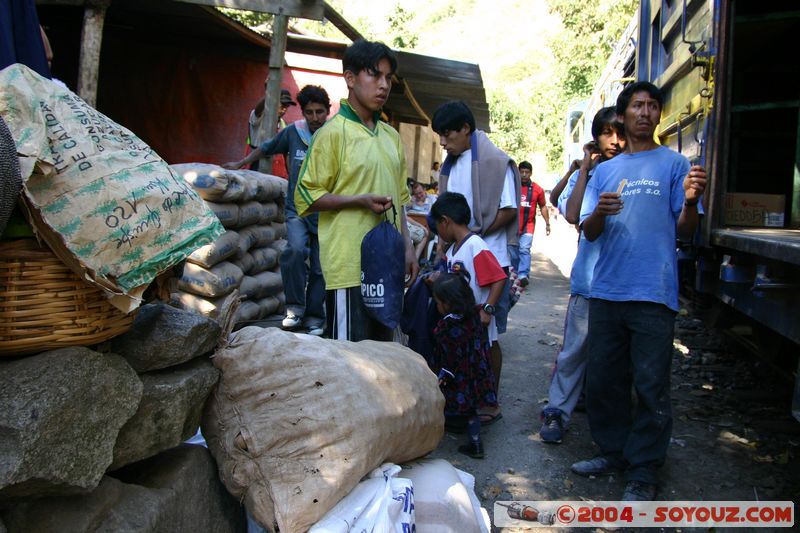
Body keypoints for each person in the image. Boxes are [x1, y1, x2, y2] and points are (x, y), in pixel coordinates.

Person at [572, 82, 706, 501]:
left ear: (658, 114)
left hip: (654, 290)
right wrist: (599, 212)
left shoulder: (674, 164)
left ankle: (644, 471)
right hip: (608, 291)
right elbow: (588, 231)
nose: (645, 112)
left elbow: (686, 230)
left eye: (652, 106)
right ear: (623, 114)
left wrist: (690, 202)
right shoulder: (605, 171)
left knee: (651, 385)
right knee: (605, 380)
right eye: (637, 106)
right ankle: (612, 452)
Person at [294, 39, 418, 342]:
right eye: (374, 75)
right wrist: (358, 201)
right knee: (351, 359)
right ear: (350, 78)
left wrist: (408, 248)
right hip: (349, 268)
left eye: (388, 77)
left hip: (388, 264)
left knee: (385, 356)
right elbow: (306, 197)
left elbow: (401, 201)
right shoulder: (331, 134)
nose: (383, 85)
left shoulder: (390, 137)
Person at [538, 106, 624, 444]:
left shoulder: (637, 171)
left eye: (619, 132)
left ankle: (612, 426)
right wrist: (585, 169)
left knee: (616, 358)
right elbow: (572, 214)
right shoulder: (587, 175)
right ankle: (557, 412)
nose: (614, 141)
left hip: (626, 284)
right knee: (574, 352)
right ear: (595, 139)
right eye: (606, 133)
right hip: (589, 280)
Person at [432, 100, 519, 423]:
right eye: (440, 135)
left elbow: (508, 210)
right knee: (461, 334)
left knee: (487, 334)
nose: (443, 142)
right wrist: (447, 244)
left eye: (447, 134)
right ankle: (467, 396)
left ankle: (489, 401)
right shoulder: (450, 166)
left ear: (466, 129)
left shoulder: (496, 162)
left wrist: (472, 235)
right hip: (459, 260)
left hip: (488, 258)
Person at [224, 85, 331, 335]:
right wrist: (241, 163)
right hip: (298, 210)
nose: (315, 118)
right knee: (294, 251)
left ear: (328, 111)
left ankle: (315, 317)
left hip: (326, 212)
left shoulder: (333, 135)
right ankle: (295, 309)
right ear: (302, 112)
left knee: (320, 266)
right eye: (309, 112)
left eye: (320, 112)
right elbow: (266, 147)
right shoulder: (294, 132)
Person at [430, 271, 498, 459]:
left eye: (438, 302)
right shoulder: (474, 314)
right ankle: (476, 443)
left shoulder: (447, 326)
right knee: (472, 411)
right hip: (476, 371)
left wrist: (444, 375)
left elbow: (449, 356)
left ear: (447, 303)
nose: (437, 306)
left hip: (458, 375)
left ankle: (450, 434)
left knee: (453, 404)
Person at [515, 160, 550, 287]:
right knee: (512, 251)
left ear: (531, 173)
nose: (524, 175)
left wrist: (547, 223)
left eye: (527, 172)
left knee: (524, 249)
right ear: (518, 172)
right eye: (522, 172)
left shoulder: (537, 189)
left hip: (528, 227)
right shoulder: (512, 186)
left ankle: (523, 275)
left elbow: (543, 206)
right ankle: (513, 274)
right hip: (512, 226)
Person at [247, 87, 295, 175]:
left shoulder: (283, 124)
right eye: (282, 105)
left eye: (287, 106)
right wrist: (269, 92)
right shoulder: (259, 118)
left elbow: (286, 153)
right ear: (273, 103)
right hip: (256, 165)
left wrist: (291, 175)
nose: (284, 109)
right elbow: (258, 110)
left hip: (277, 170)